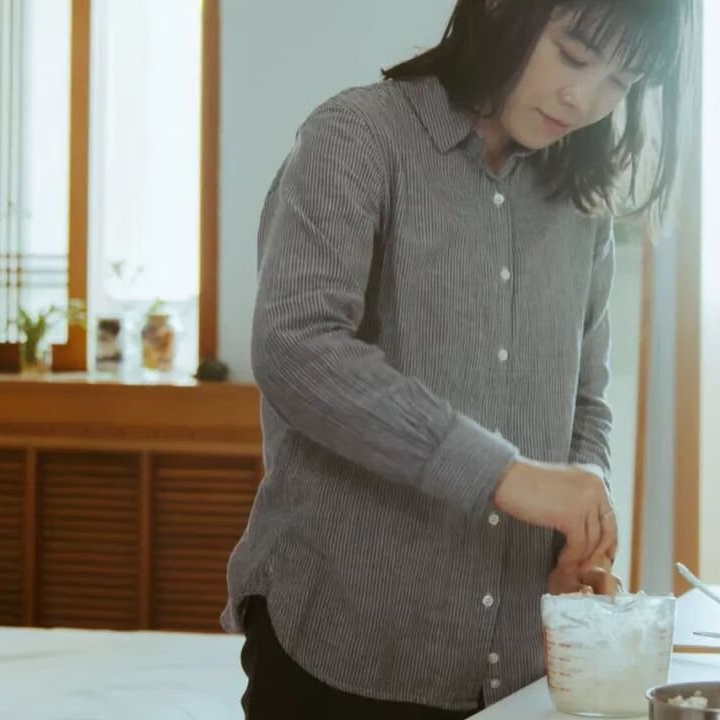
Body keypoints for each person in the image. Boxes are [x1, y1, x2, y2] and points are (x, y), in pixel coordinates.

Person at [222, 0, 690, 717]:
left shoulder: (579, 204)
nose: (584, 98)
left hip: (517, 664)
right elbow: (296, 346)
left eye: (620, 84)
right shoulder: (357, 136)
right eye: (572, 55)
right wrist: (505, 476)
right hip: (343, 647)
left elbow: (585, 398)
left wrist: (580, 512)